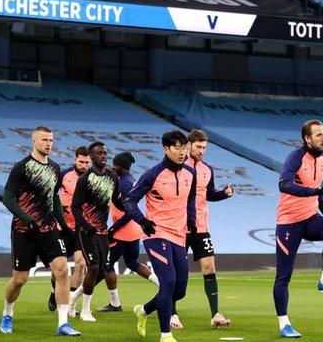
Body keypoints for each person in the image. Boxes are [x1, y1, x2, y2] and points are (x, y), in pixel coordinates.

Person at [0, 126, 80, 336]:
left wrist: (64, 224)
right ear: (33, 142)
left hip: (49, 229)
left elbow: (54, 198)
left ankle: (63, 323)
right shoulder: (22, 167)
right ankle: (7, 312)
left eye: (51, 140)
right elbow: (8, 198)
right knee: (20, 280)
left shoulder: (54, 168)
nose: (49, 143)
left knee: (62, 270)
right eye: (44, 140)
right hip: (24, 231)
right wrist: (27, 219)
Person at [125, 130, 196, 342]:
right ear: (166, 149)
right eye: (177, 147)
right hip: (156, 234)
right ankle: (166, 334)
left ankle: (144, 310)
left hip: (179, 235)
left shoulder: (189, 174)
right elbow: (129, 200)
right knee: (168, 282)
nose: (182, 151)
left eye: (184, 147)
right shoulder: (152, 174)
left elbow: (191, 199)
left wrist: (191, 220)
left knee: (179, 289)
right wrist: (143, 221)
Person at [273, 119, 323, 338]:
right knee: (284, 276)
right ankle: (284, 324)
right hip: (289, 222)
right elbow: (284, 184)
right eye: (319, 135)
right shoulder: (295, 158)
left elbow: (314, 188)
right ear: (307, 138)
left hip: (310, 216)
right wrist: (315, 193)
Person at [170, 129, 233, 329]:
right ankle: (172, 313)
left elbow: (209, 194)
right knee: (177, 274)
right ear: (188, 145)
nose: (201, 151)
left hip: (201, 226)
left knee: (209, 267)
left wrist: (224, 194)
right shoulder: (178, 167)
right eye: (198, 147)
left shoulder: (207, 169)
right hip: (179, 226)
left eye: (204, 147)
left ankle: (215, 314)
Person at [69, 141, 124, 322]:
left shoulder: (112, 177)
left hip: (102, 231)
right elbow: (75, 207)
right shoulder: (85, 179)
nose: (104, 156)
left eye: (105, 153)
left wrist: (132, 211)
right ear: (91, 157)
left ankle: (72, 299)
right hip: (86, 231)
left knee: (101, 271)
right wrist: (85, 225)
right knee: (92, 267)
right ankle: (85, 311)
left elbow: (117, 200)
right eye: (99, 153)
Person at [98, 151, 159, 313]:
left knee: (107, 265)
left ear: (121, 167)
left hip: (123, 232)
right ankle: (163, 284)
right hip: (134, 231)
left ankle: (115, 303)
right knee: (132, 262)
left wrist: (113, 229)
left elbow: (128, 212)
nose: (112, 166)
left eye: (115, 164)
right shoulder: (130, 180)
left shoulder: (123, 184)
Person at [48, 146, 89, 314]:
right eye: (81, 161)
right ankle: (53, 292)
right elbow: (50, 195)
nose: (84, 165)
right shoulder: (63, 175)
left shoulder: (93, 178)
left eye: (87, 162)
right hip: (62, 228)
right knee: (59, 267)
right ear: (75, 159)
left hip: (80, 229)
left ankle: (70, 304)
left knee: (81, 263)